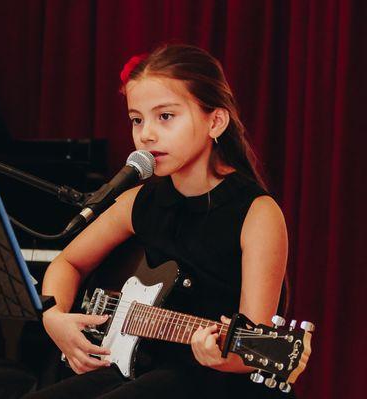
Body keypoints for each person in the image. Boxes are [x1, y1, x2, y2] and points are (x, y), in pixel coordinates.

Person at [25, 44, 291, 398]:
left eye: (165, 116)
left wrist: (219, 354)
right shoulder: (141, 200)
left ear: (216, 121)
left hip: (212, 382)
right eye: (138, 119)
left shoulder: (256, 213)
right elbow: (67, 262)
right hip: (138, 367)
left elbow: (254, 350)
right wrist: (54, 317)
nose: (146, 134)